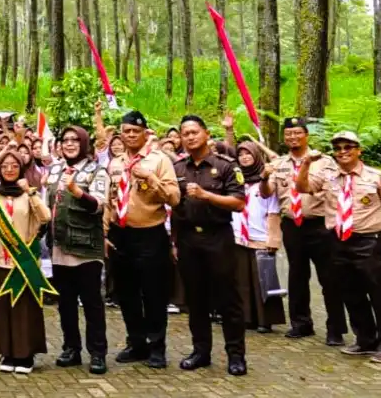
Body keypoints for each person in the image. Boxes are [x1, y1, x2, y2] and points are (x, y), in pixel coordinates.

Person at [297, 131, 381, 364]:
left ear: (358, 149)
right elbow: (302, 187)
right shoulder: (328, 176)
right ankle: (365, 339)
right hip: (338, 241)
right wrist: (306, 164)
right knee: (351, 293)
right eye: (338, 148)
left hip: (369, 242)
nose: (343, 152)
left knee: (379, 294)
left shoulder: (376, 176)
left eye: (348, 147)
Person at [260, 117, 347, 344]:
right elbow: (267, 193)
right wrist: (264, 176)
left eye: (297, 133)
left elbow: (317, 187)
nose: (292, 138)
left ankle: (335, 329)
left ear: (306, 135)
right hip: (292, 225)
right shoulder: (279, 164)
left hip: (319, 225)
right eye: (288, 134)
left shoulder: (324, 162)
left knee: (329, 277)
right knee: (297, 276)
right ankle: (301, 323)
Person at [171, 115, 247, 376]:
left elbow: (238, 202)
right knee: (195, 298)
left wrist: (206, 196)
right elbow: (175, 208)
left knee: (228, 298)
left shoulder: (225, 165)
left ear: (205, 133)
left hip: (218, 238)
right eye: (185, 133)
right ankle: (201, 351)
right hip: (188, 239)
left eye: (194, 132)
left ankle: (236, 355)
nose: (189, 137)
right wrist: (174, 242)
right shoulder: (179, 168)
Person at [106, 110, 180, 369]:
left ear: (145, 133)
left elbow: (174, 197)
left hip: (150, 233)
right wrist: (105, 232)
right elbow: (109, 200)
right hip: (120, 234)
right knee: (126, 293)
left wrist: (150, 178)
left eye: (135, 131)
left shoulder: (159, 161)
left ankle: (157, 346)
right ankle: (136, 343)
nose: (130, 136)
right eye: (126, 131)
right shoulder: (115, 162)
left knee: (154, 293)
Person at [45, 125, 109, 374]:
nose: (70, 144)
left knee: (92, 303)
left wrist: (77, 192)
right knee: (66, 303)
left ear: (84, 143)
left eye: (75, 140)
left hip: (86, 249)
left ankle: (98, 353)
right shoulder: (54, 169)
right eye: (65, 140)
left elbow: (99, 206)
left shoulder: (97, 171)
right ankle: (71, 348)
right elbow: (47, 205)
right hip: (60, 247)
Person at [0, 150, 53, 374]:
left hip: (24, 261)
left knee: (25, 308)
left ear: (21, 169)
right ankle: (8, 351)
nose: (9, 169)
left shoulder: (29, 194)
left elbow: (45, 217)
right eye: (5, 166)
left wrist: (29, 191)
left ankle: (25, 353)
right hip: (0, 260)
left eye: (14, 165)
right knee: (4, 308)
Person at [233, 141, 285, 333]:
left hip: (260, 235)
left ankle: (265, 319)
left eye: (249, 153)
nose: (244, 157)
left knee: (263, 279)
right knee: (242, 279)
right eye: (241, 154)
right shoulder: (236, 180)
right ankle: (246, 317)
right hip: (239, 236)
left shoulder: (268, 179)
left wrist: (274, 239)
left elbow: (272, 209)